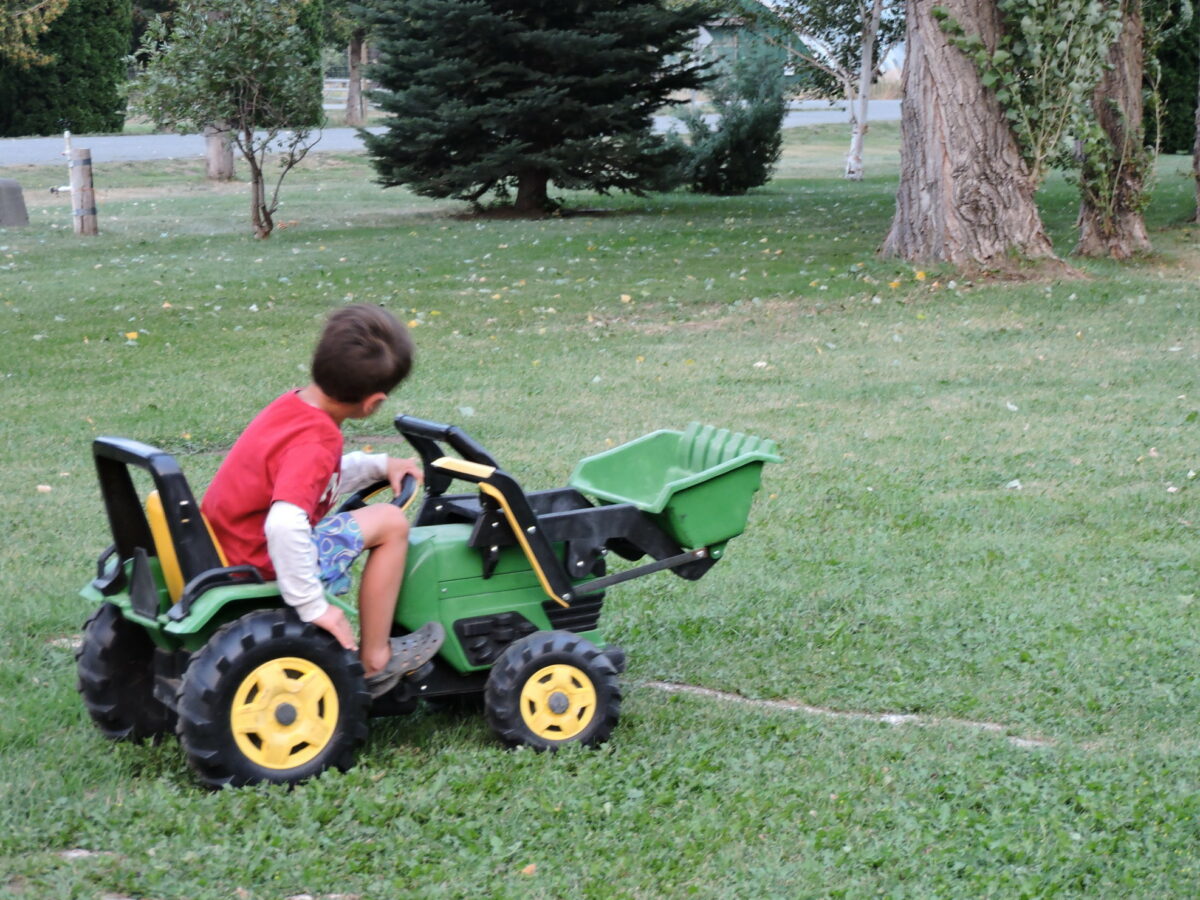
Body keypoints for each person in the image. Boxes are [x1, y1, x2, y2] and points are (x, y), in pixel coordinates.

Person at [202, 304, 443, 697]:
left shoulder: (292, 406)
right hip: (261, 557)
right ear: (374, 403)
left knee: (378, 518)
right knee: (391, 524)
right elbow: (284, 522)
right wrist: (314, 607)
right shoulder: (316, 440)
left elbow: (309, 478)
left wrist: (378, 466)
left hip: (228, 543)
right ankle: (375, 659)